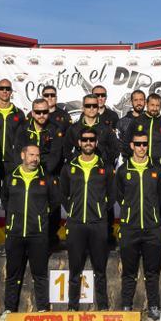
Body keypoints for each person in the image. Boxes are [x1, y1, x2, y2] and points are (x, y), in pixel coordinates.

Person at [0, 145, 58, 321]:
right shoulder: (10, 178)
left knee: (40, 274)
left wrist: (41, 217)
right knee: (13, 274)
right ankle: (8, 310)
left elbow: (54, 202)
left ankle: (43, 309)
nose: (35, 159)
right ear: (23, 155)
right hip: (15, 234)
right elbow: (5, 201)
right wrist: (14, 219)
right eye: (31, 155)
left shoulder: (46, 178)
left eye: (37, 155)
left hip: (37, 234)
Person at [61, 127, 114, 311]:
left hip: (98, 224)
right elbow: (63, 194)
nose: (88, 142)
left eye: (92, 139)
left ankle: (103, 307)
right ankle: (72, 306)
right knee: (75, 270)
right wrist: (73, 211)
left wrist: (100, 211)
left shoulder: (105, 167)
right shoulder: (69, 167)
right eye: (85, 139)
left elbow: (112, 195)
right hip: (76, 224)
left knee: (100, 270)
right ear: (79, 143)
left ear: (96, 142)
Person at [116, 133, 161, 321]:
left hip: (151, 228)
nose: (142, 147)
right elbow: (119, 195)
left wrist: (154, 216)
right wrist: (129, 213)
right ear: (131, 145)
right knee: (129, 271)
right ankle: (126, 305)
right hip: (130, 227)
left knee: (152, 272)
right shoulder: (123, 170)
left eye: (145, 144)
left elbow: (160, 197)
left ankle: (153, 306)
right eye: (138, 144)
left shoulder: (156, 169)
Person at [60, 93, 120, 163]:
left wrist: (103, 161)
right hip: (79, 170)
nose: (91, 108)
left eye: (94, 106)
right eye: (88, 106)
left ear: (98, 108)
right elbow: (66, 150)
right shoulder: (74, 128)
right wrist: (76, 161)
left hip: (100, 169)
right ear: (83, 108)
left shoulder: (106, 129)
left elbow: (115, 150)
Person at [12, 99, 64, 176]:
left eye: (45, 112)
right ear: (32, 113)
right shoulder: (23, 128)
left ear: (48, 112)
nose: (41, 115)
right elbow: (18, 153)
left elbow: (55, 155)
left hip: (48, 173)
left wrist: (42, 173)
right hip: (26, 172)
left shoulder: (55, 130)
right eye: (38, 112)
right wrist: (25, 172)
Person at [122, 93, 161, 169]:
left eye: (157, 106)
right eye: (152, 105)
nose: (154, 108)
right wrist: (133, 158)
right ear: (147, 104)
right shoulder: (137, 121)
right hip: (139, 165)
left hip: (159, 167)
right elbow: (126, 143)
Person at [0, 80, 26, 167]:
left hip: (13, 161)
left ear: (11, 91)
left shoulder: (19, 114)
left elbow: (22, 138)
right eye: (1, 88)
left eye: (7, 89)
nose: (4, 91)